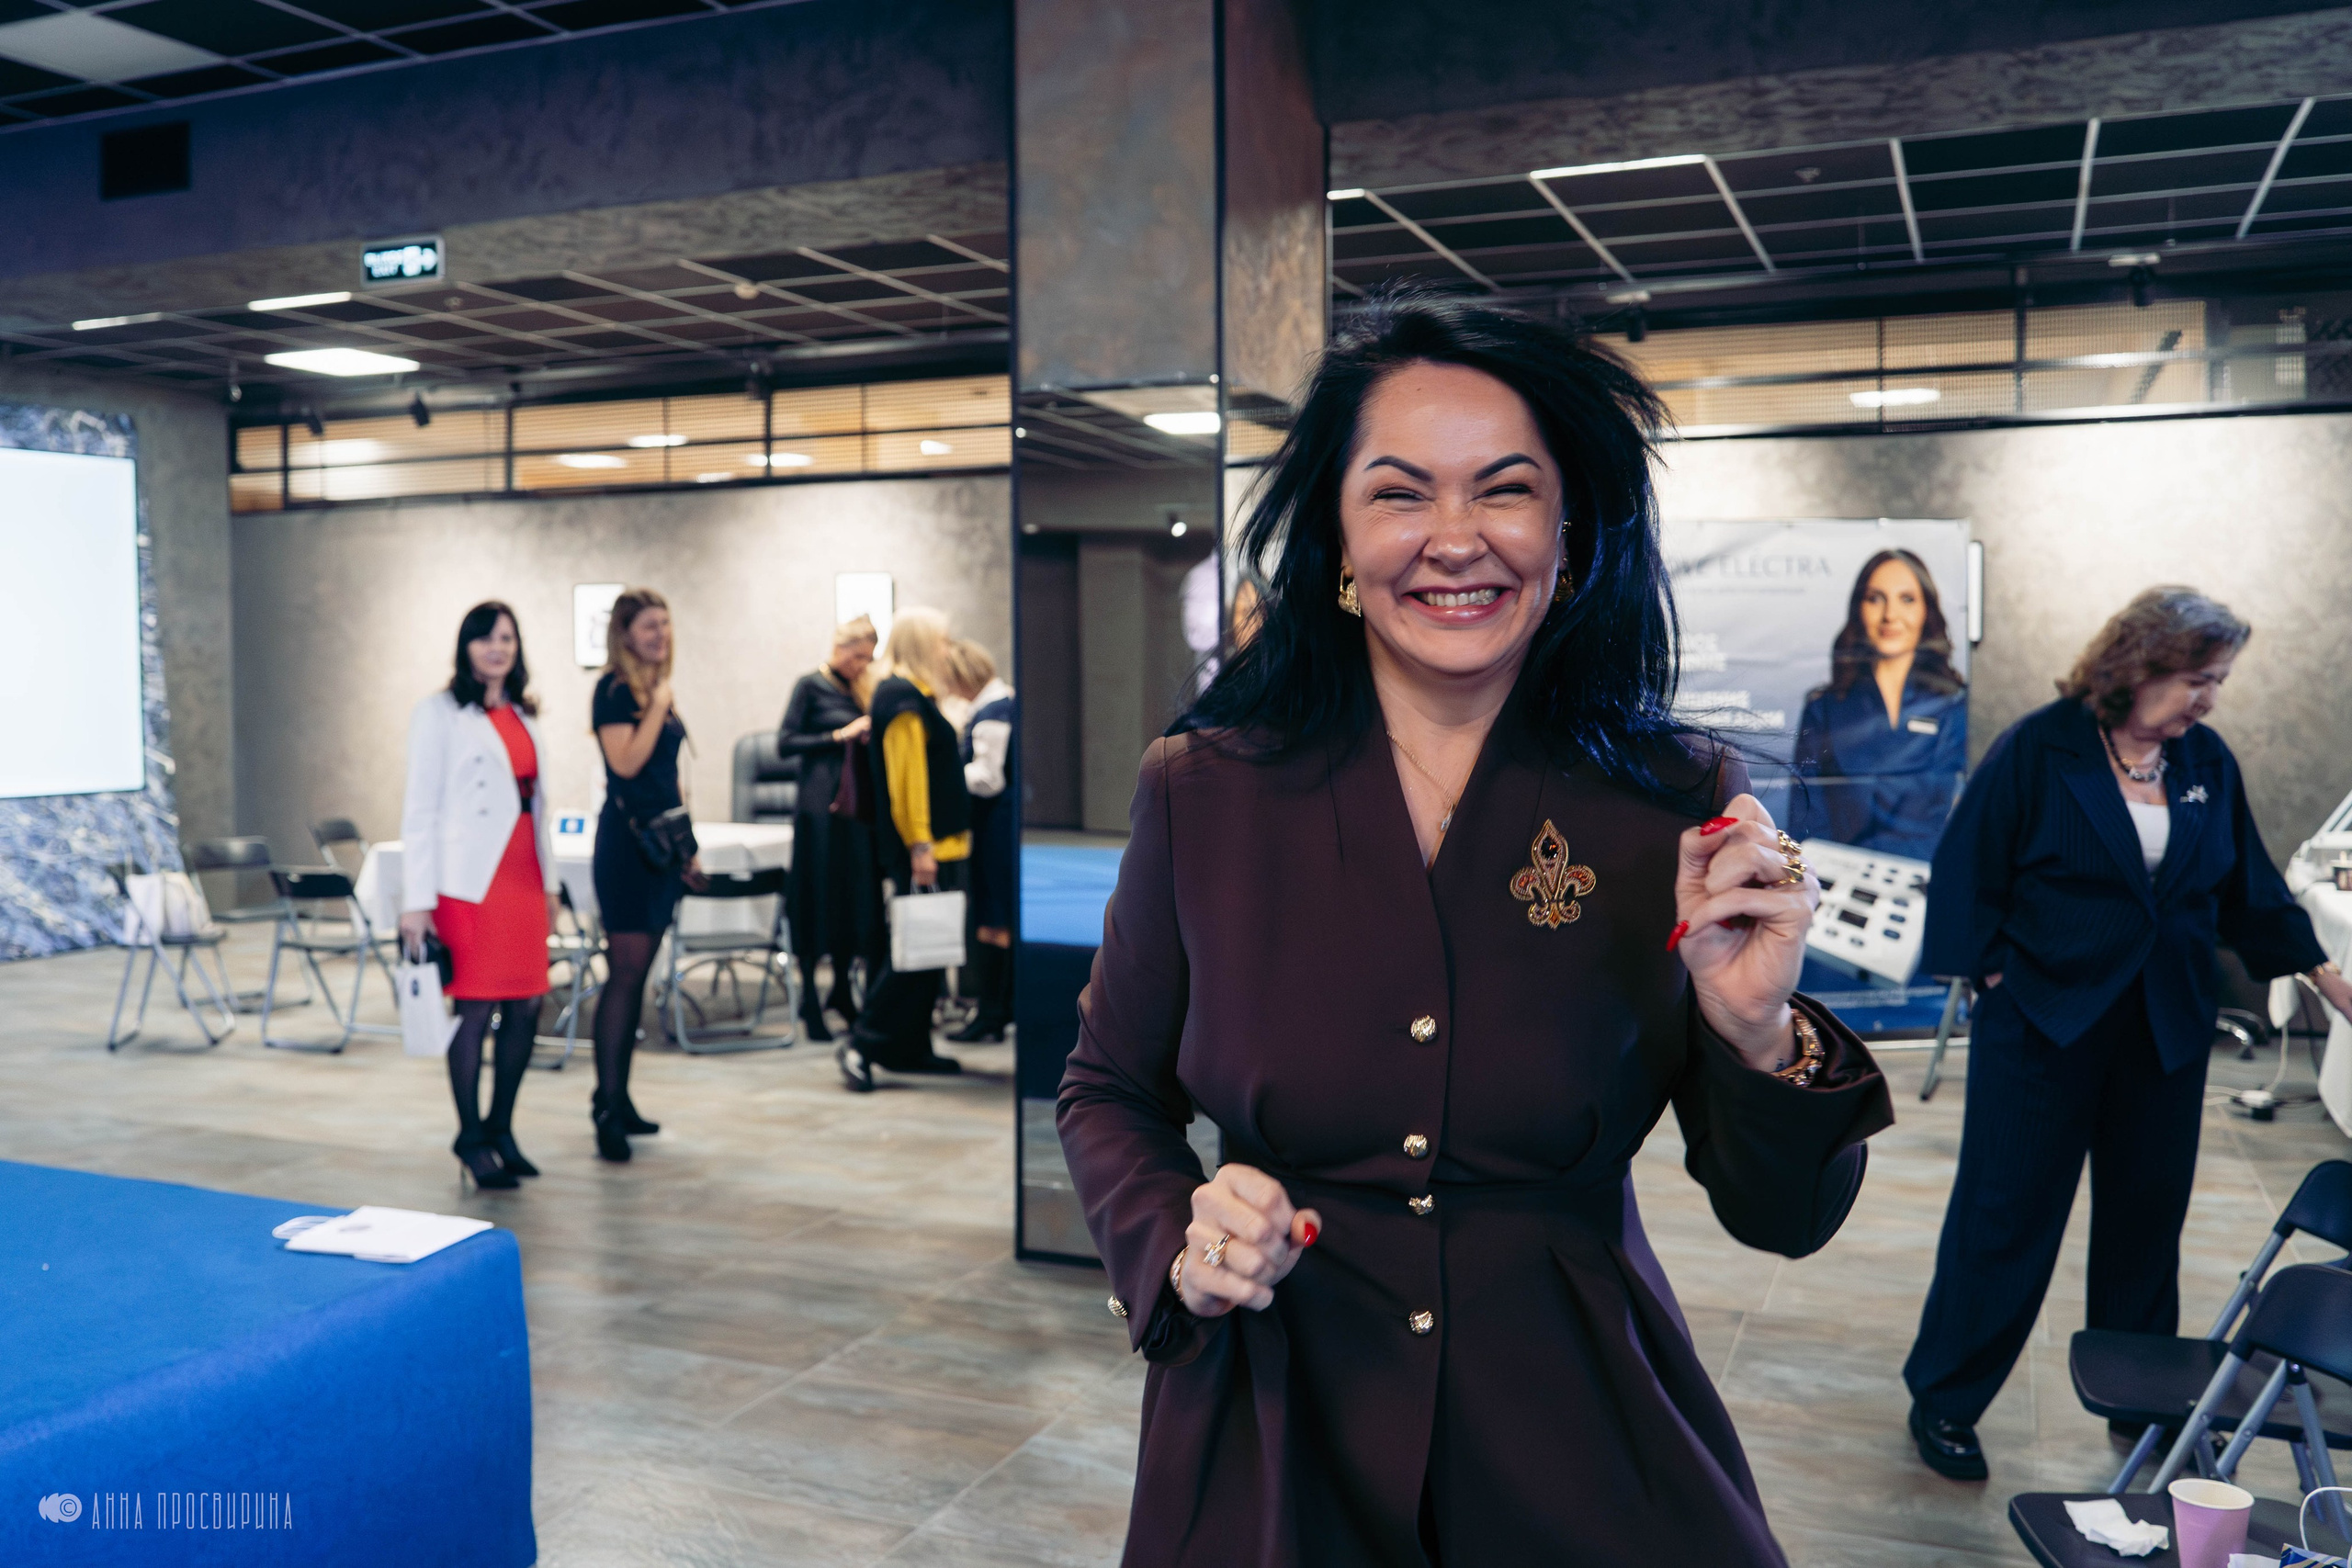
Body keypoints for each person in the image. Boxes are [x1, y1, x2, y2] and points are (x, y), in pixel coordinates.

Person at [1056, 293, 1894, 1566]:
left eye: (1504, 490)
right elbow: (1107, 1088)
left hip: (1578, 1427)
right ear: (1338, 540)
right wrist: (1179, 1234)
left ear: (1569, 531)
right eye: (1400, 494)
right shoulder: (1205, 790)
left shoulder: (1675, 800)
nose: (1456, 539)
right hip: (1278, 1424)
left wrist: (1757, 1026)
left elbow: (1786, 1218)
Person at [1904, 586, 2352, 1481]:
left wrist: (2330, 979)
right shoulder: (2042, 746)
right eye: (2197, 678)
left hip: (2163, 1030)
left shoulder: (2204, 762)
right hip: (2042, 1028)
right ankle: (1946, 1401)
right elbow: (1967, 868)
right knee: (2004, 1222)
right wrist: (1994, 972)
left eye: (2218, 681)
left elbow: (2250, 888)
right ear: (2139, 663)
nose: (2208, 700)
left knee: (2146, 1228)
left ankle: (2139, 1406)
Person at [398, 601, 561, 1190]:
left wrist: (551, 882)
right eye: (486, 639)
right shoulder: (439, 713)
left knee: (525, 1005)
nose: (498, 649)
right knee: (473, 1007)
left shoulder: (524, 713)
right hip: (468, 883)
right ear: (465, 647)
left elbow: (540, 806)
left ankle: (501, 1128)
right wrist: (415, 901)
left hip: (522, 876)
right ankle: (469, 1135)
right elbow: (419, 809)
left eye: (508, 639)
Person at [837, 607, 970, 1091]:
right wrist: (920, 844)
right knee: (913, 951)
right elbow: (906, 780)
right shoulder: (900, 696)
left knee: (930, 950)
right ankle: (863, 1041)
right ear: (920, 643)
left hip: (943, 844)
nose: (948, 650)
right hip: (926, 847)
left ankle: (909, 1046)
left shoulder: (914, 695)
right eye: (942, 641)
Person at [589, 586, 701, 1161]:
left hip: (661, 848)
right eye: (650, 626)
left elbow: (667, 774)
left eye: (666, 624)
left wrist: (688, 846)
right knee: (625, 976)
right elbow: (626, 763)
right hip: (626, 852)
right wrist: (659, 703)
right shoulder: (614, 692)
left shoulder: (652, 689)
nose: (661, 635)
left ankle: (620, 1098)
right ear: (626, 634)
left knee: (638, 977)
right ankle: (606, 1110)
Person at [1787, 547, 1968, 859]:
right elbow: (1806, 821)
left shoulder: (1953, 705)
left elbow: (1959, 817)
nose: (1890, 615)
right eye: (1876, 598)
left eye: (1907, 599)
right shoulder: (1824, 709)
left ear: (1927, 610)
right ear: (1859, 609)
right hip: (1840, 889)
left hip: (1931, 884)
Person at [776, 615, 882, 1042]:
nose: (862, 665)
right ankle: (808, 1001)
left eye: (868, 659)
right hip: (818, 812)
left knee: (849, 900)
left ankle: (841, 990)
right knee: (815, 897)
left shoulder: (860, 690)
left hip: (852, 812)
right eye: (858, 657)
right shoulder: (810, 686)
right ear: (840, 650)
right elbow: (786, 743)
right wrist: (840, 734)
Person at [944, 637, 1014, 1043]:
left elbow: (989, 778)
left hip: (994, 827)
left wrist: (948, 777)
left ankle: (990, 1014)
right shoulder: (1003, 701)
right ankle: (997, 1010)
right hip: (999, 825)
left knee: (993, 921)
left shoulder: (991, 713)